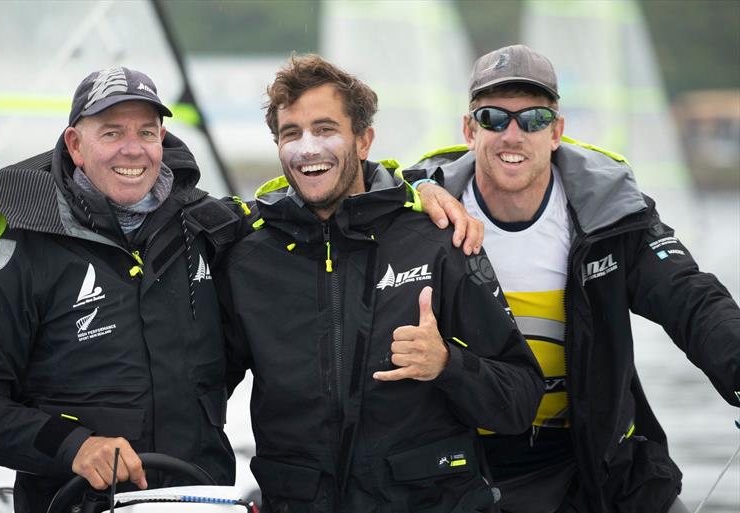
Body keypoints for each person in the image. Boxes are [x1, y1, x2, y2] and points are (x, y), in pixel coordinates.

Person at [404, 44, 740, 513]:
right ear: (469, 130)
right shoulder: (420, 215)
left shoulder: (612, 215)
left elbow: (692, 298)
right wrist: (416, 186)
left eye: (534, 119)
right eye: (493, 118)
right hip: (460, 467)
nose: (513, 134)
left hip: (594, 461)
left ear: (557, 131)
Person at [216, 54, 544, 513]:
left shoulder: (436, 236)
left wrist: (447, 363)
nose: (308, 148)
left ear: (364, 140)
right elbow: (201, 392)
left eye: (326, 129)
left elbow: (521, 399)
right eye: (292, 133)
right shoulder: (248, 256)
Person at [0, 67, 248, 513]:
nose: (133, 149)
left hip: (198, 496)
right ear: (75, 145)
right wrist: (74, 446)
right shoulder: (20, 249)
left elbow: (292, 302)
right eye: (111, 132)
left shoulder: (210, 230)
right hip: (71, 503)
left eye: (146, 132)